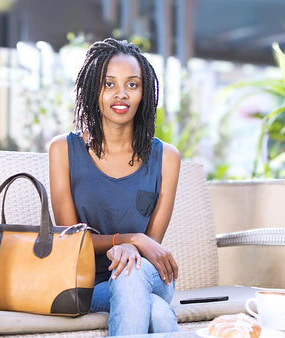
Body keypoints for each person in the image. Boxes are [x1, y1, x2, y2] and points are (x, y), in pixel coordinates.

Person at [48, 38, 181, 335]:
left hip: (149, 273)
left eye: (132, 85)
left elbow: (151, 250)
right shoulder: (63, 150)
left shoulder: (167, 158)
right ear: (93, 90)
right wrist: (127, 240)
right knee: (158, 314)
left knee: (131, 271)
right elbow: (72, 241)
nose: (121, 94)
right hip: (86, 284)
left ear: (144, 92)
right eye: (109, 84)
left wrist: (133, 247)